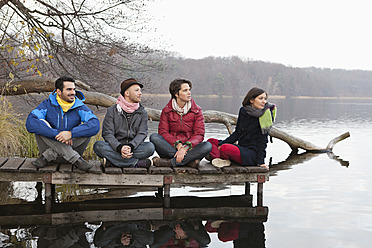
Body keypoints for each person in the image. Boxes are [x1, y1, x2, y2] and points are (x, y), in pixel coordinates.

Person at [26, 76, 100, 171]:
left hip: (69, 151)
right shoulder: (47, 105)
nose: (73, 92)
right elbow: (30, 122)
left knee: (87, 129)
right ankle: (76, 160)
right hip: (67, 158)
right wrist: (57, 134)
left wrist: (70, 134)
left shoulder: (80, 107)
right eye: (69, 89)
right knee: (39, 124)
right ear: (59, 91)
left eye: (74, 89)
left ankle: (48, 155)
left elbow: (95, 125)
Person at [207, 87, 276, 169]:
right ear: (251, 100)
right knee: (210, 142)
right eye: (261, 98)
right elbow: (237, 133)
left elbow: (263, 140)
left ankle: (217, 156)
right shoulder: (244, 111)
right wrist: (220, 144)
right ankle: (221, 157)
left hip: (251, 154)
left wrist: (260, 162)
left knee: (225, 148)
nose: (264, 101)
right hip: (241, 148)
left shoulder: (265, 115)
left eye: (265, 98)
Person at [150, 78, 212, 168]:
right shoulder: (167, 111)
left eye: (189, 90)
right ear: (176, 94)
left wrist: (185, 147)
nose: (189, 93)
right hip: (171, 148)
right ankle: (189, 161)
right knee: (154, 137)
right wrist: (178, 145)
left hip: (190, 149)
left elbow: (199, 134)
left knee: (207, 146)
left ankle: (171, 163)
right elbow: (163, 132)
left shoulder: (197, 110)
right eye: (185, 90)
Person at [93, 78, 154, 168]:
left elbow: (142, 133)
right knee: (98, 146)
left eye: (140, 91)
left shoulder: (142, 112)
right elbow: (107, 133)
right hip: (115, 148)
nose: (140, 93)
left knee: (150, 147)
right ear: (127, 93)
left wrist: (131, 146)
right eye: (137, 90)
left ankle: (113, 162)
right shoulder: (112, 111)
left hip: (134, 148)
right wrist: (120, 148)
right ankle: (135, 163)